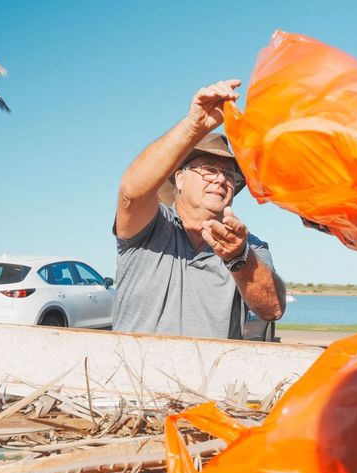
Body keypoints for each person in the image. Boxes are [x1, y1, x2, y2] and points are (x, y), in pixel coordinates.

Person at [113, 79, 286, 339]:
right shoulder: (151, 226)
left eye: (230, 175)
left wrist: (239, 258)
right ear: (180, 179)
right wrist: (193, 125)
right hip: (134, 376)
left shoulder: (249, 246)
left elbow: (272, 309)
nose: (221, 179)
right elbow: (131, 193)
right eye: (209, 170)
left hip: (210, 378)